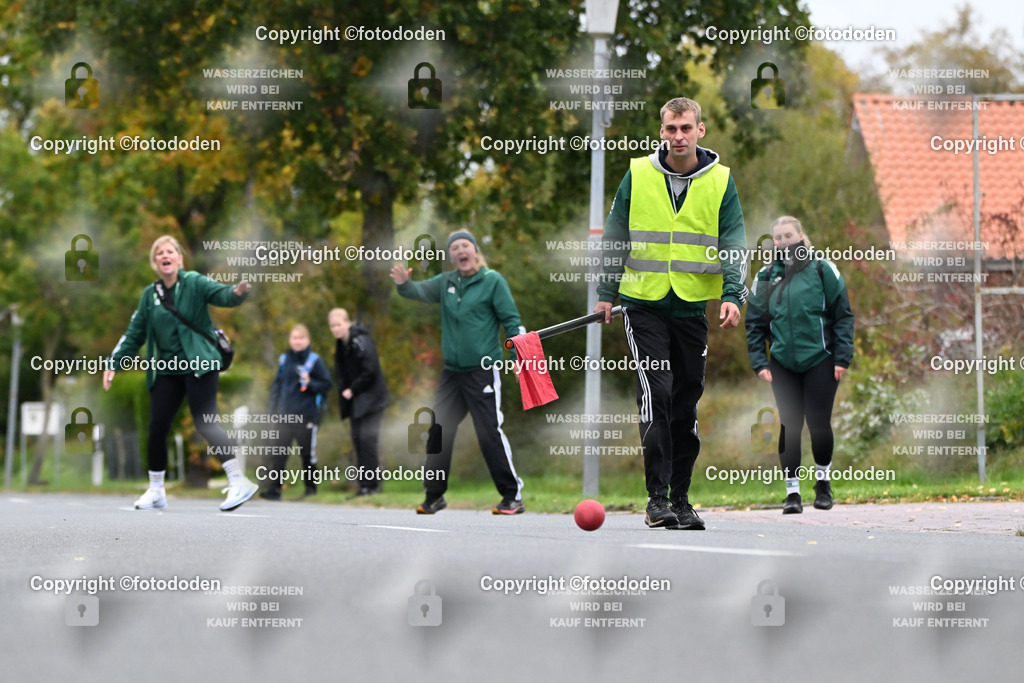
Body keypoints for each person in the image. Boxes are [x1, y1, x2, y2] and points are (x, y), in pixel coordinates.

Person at [595, 96, 748, 530]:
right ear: (661, 132)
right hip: (641, 305)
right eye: (670, 129)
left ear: (701, 130)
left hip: (689, 309)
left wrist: (734, 294)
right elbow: (615, 234)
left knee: (685, 403)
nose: (677, 136)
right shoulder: (638, 173)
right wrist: (607, 290)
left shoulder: (720, 181)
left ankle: (681, 500)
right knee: (657, 394)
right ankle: (656, 500)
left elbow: (735, 241)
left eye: (685, 128)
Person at [103, 235, 259, 511]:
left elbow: (222, 294)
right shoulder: (149, 296)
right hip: (168, 369)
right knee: (157, 427)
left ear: (179, 258)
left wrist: (237, 292)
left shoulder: (194, 282)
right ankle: (156, 490)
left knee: (205, 422)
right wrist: (114, 363)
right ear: (155, 263)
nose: (165, 255)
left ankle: (238, 481)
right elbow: (134, 334)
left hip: (199, 362)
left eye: (170, 251)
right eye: (159, 253)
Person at [389, 231, 526, 515]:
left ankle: (512, 496)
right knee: (438, 431)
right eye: (454, 247)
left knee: (488, 432)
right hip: (452, 374)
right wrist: (404, 284)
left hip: (483, 371)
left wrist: (517, 357)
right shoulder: (447, 282)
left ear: (475, 251)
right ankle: (434, 496)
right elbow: (418, 291)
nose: (460, 250)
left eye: (465, 245)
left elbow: (512, 322)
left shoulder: (492, 281)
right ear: (451, 256)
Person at [745, 216, 854, 513]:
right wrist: (759, 362)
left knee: (818, 424)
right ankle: (792, 493)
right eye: (777, 237)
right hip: (782, 363)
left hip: (821, 358)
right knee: (789, 427)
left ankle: (823, 483)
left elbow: (843, 315)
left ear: (801, 235)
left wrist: (842, 357)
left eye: (788, 235)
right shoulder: (765, 276)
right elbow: (754, 323)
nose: (782, 241)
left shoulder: (822, 269)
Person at [261, 324, 333, 500]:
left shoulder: (314, 360)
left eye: (301, 338)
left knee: (307, 454)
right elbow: (276, 386)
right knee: (279, 453)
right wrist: (272, 411)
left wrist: (310, 384)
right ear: (290, 340)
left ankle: (311, 490)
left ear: (307, 340)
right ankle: (275, 490)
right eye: (294, 338)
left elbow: (327, 384)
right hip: (284, 415)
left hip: (307, 415)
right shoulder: (285, 359)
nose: (297, 341)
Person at [329, 308, 390, 496]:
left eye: (338, 324)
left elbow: (370, 370)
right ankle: (364, 486)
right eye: (332, 326)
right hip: (357, 402)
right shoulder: (342, 344)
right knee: (358, 441)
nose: (336, 329)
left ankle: (373, 486)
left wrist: (352, 389)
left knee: (367, 440)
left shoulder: (360, 340)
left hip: (372, 400)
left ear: (347, 323)